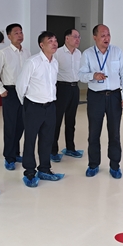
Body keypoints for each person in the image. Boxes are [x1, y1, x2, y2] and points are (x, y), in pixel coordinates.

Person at [79, 24, 123, 179]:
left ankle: (115, 165)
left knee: (114, 133)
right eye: (102, 35)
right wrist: (92, 76)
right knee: (94, 132)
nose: (106, 38)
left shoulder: (117, 52)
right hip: (96, 97)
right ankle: (93, 164)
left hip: (114, 96)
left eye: (108, 35)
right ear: (95, 37)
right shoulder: (87, 54)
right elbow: (81, 75)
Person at [16, 31, 64, 188]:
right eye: (50, 41)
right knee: (30, 140)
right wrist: (26, 104)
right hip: (33, 106)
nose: (54, 43)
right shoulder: (32, 62)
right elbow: (20, 85)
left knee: (47, 139)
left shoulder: (54, 62)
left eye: (55, 40)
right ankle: (29, 172)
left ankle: (44, 169)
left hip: (50, 107)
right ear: (41, 45)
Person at [0, 23, 30, 171]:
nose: (19, 35)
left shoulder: (27, 53)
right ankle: (9, 157)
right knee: (10, 126)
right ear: (9, 36)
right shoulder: (4, 53)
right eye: (16, 33)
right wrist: (1, 90)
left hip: (24, 92)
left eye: (21, 32)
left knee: (21, 124)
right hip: (10, 92)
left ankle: (16, 152)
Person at [51, 29, 83, 162]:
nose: (78, 39)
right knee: (56, 121)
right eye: (75, 37)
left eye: (79, 37)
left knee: (71, 120)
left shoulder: (79, 53)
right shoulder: (57, 53)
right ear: (67, 38)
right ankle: (52, 151)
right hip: (61, 88)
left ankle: (70, 148)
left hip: (75, 88)